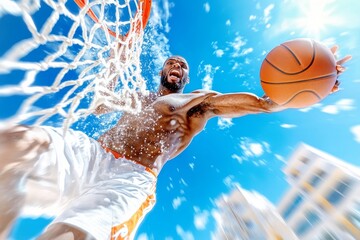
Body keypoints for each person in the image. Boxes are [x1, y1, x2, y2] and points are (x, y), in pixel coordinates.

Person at [0, 47, 351, 240]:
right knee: (12, 143)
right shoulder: (137, 96)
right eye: (170, 63)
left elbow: (261, 104)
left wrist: (298, 92)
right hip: (91, 153)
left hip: (129, 180)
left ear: (186, 77)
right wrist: (109, 69)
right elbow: (98, 102)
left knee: (66, 238)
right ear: (161, 72)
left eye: (181, 65)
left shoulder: (197, 102)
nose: (175, 67)